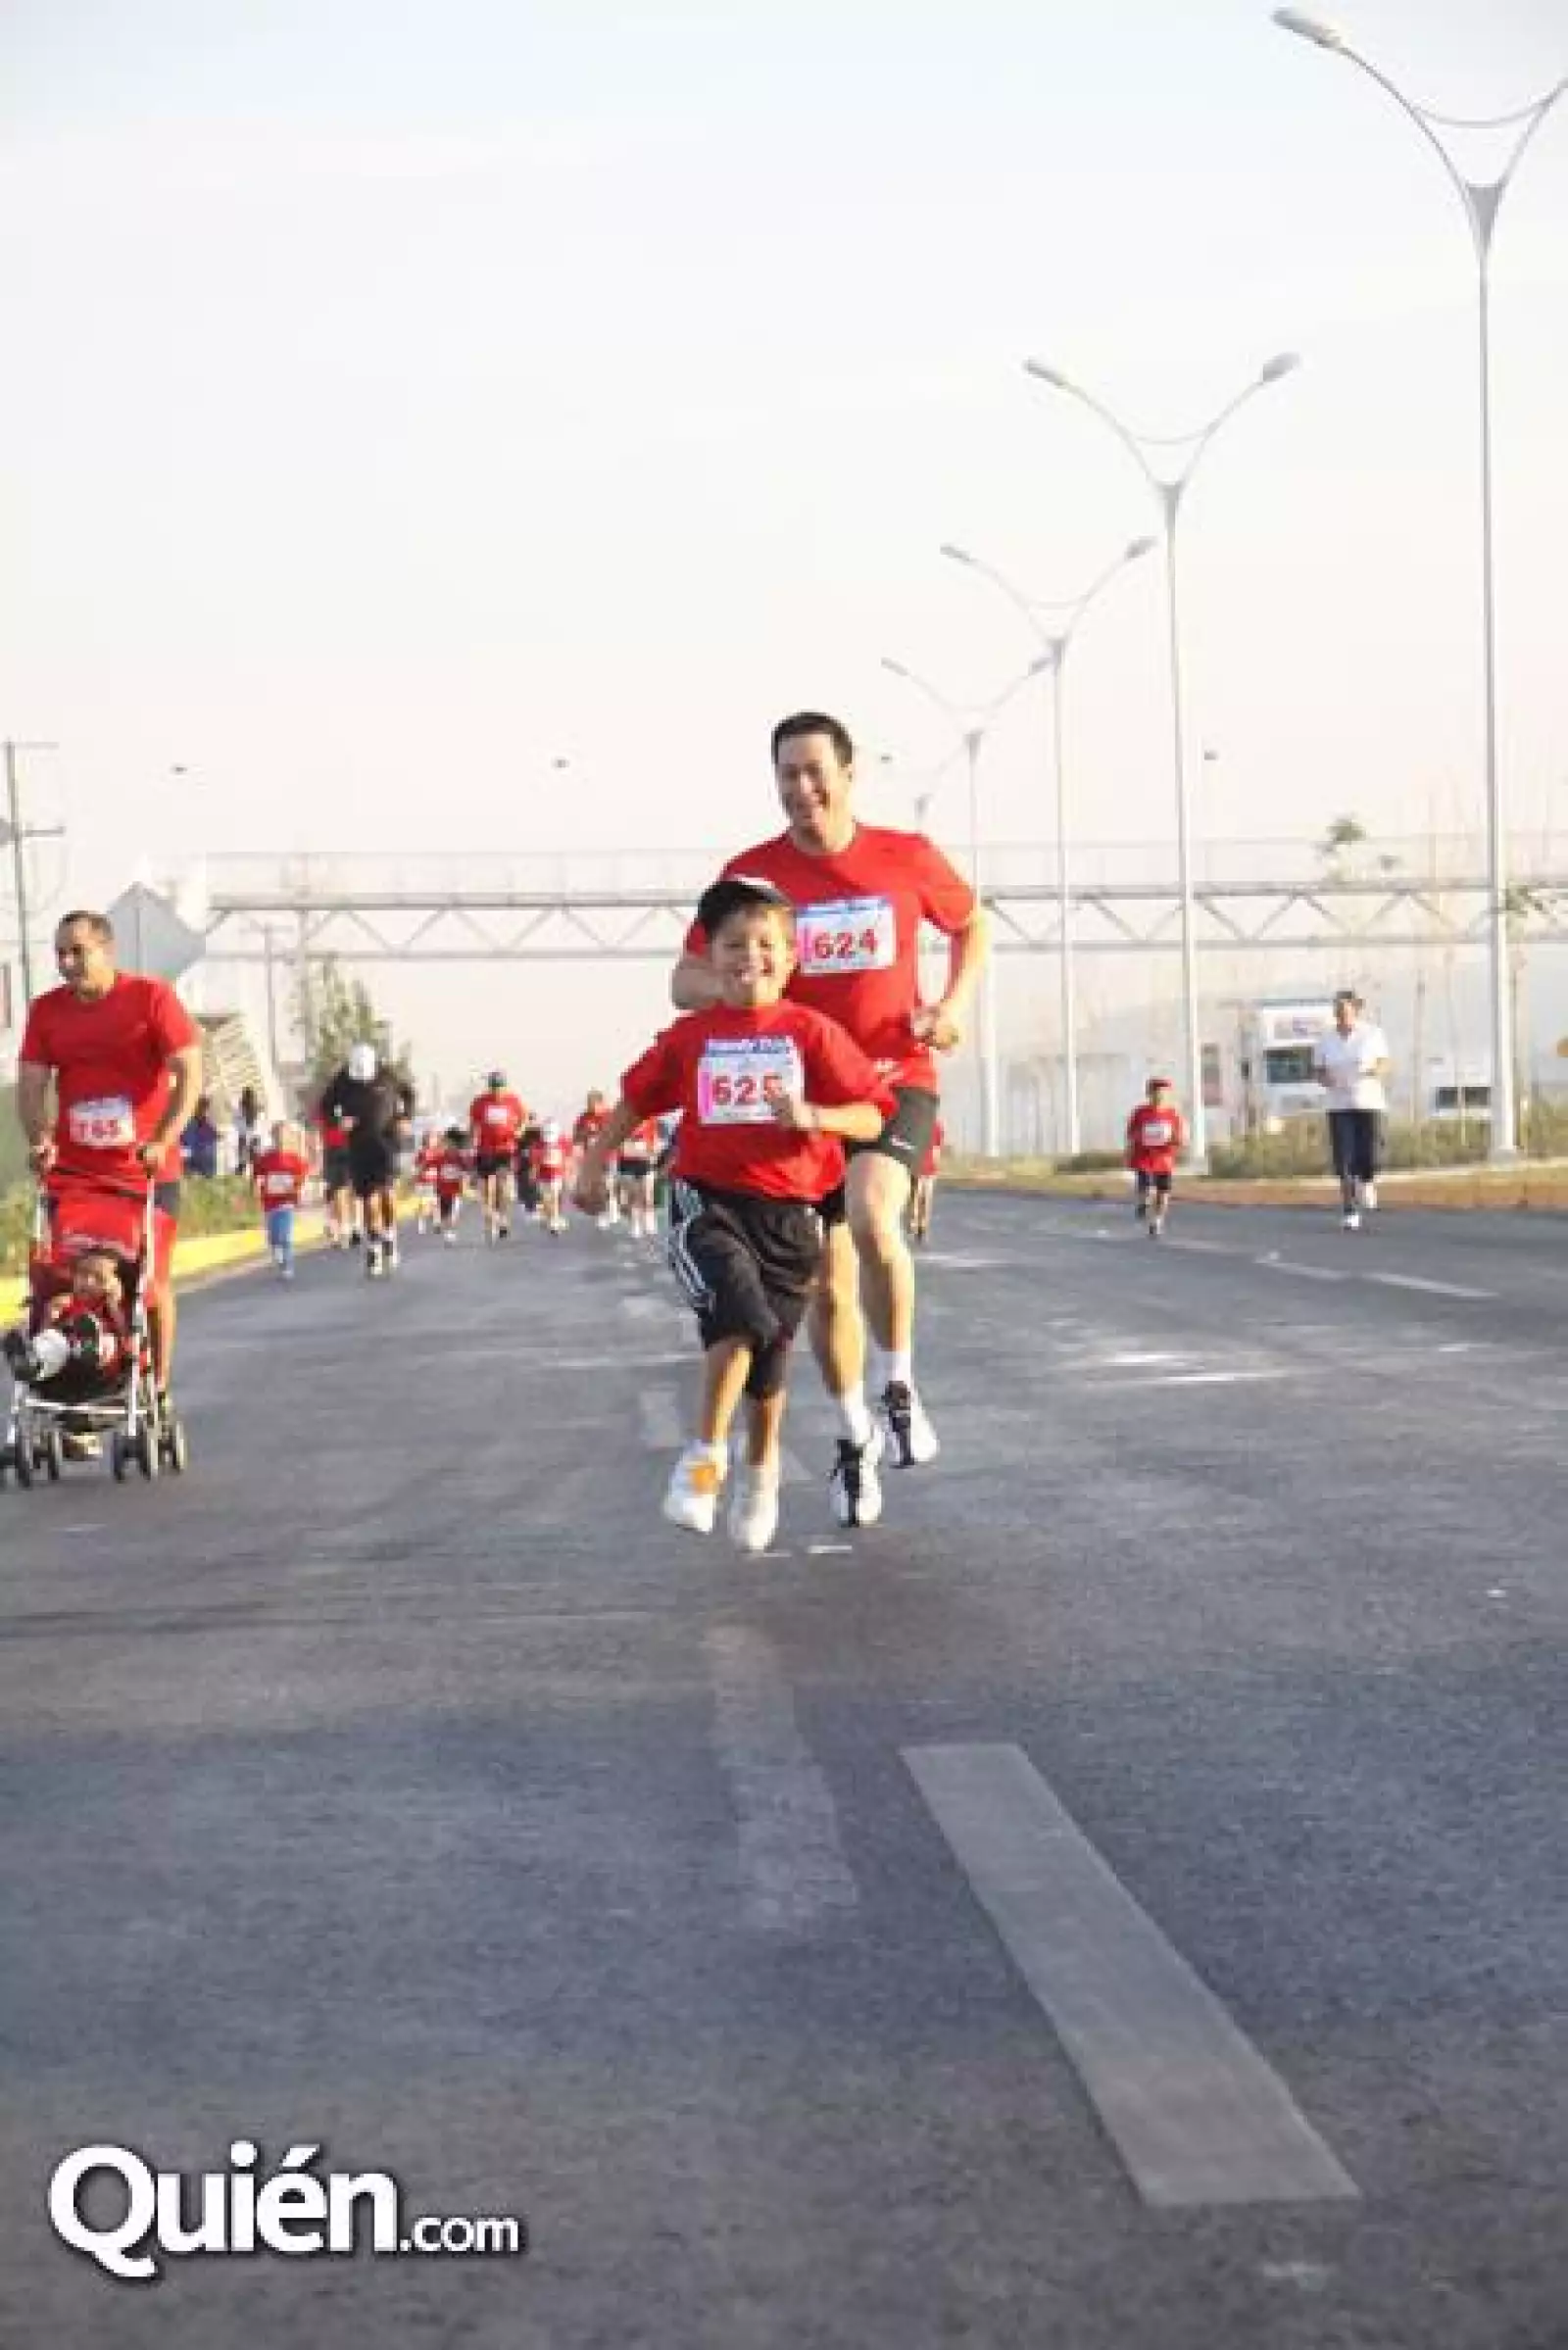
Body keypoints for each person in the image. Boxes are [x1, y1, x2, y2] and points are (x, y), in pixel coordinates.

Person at [670, 710, 986, 1525]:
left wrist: (948, 1008)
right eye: (787, 775)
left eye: (816, 771)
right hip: (795, 1108)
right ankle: (852, 1439)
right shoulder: (753, 877)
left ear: (850, 773)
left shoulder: (904, 859)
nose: (802, 789)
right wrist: (748, 989)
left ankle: (898, 1385)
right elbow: (685, 980)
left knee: (876, 1216)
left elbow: (971, 923)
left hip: (886, 1082)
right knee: (830, 1288)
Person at [576, 876, 894, 1553]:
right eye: (732, 944)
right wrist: (593, 1162)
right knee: (738, 1320)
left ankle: (761, 1470)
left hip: (790, 1216)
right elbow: (635, 1101)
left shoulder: (813, 1032)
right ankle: (705, 1459)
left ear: (792, 955)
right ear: (711, 959)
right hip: (706, 1200)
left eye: (765, 943)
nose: (749, 955)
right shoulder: (692, 1037)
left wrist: (815, 1116)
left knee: (770, 1350)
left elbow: (872, 1111)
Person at [16, 908, 203, 1420]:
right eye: (60, 954)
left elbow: (189, 1072)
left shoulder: (151, 999)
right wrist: (41, 1139)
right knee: (59, 1283)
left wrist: (164, 1137)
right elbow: (32, 1084)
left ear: (107, 950)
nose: (68, 964)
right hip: (75, 1176)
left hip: (144, 1173)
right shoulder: (47, 1012)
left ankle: (157, 1389)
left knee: (151, 1284)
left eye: (78, 952)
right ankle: (67, 1390)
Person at [318, 1043, 415, 1278]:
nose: (361, 1082)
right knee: (370, 1200)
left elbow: (409, 1094)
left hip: (386, 1143)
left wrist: (404, 1117)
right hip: (359, 1146)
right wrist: (338, 1121)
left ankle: (390, 1236)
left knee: (387, 1197)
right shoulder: (343, 1079)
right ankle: (373, 1249)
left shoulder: (387, 1074)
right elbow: (325, 1106)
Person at [1313, 990, 1392, 1232]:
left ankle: (1367, 1180)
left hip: (1368, 1101)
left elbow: (1384, 1062)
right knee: (1344, 1160)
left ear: (1356, 1010)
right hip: (1339, 1105)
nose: (1341, 1015)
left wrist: (1374, 1072)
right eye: (1337, 1011)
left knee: (1370, 1153)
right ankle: (1350, 1210)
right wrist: (1326, 1079)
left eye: (1345, 1010)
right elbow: (1318, 1069)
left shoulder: (1372, 1034)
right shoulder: (1326, 1039)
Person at [4, 1248, 130, 1388]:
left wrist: (113, 1306)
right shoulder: (67, 1301)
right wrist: (51, 1313)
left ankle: (90, 1347)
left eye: (99, 1278)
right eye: (83, 1274)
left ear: (113, 1285)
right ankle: (30, 1362)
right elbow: (45, 1330)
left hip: (100, 1365)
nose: (88, 1282)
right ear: (74, 1277)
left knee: (108, 1341)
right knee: (53, 1339)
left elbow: (124, 1334)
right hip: (65, 1356)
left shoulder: (110, 1307)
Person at [468, 1071, 527, 1244]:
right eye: (494, 1087)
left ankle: (503, 1218)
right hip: (485, 1150)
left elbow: (524, 1118)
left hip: (505, 1148)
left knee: (503, 1185)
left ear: (505, 1087)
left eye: (499, 1087)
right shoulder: (480, 1102)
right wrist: (471, 1144)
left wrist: (519, 1130)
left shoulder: (513, 1101)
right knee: (487, 1190)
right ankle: (490, 1222)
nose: (497, 1091)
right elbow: (473, 1125)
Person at [1125, 1078, 1184, 1240]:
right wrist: (1139, 1141)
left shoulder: (1172, 1114)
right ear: (1149, 1094)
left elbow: (1178, 1137)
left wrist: (1174, 1141)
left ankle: (1157, 1221)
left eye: (1164, 1093)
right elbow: (1131, 1133)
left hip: (1164, 1159)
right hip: (1144, 1157)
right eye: (1156, 1093)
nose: (1160, 1096)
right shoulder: (1140, 1112)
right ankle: (1143, 1203)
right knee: (1146, 1186)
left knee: (1163, 1193)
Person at [251, 1120, 311, 1280]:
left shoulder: (295, 1158)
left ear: (290, 1137)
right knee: (274, 1236)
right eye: (278, 1135)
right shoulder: (266, 1158)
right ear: (273, 1137)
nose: (281, 1138)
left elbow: (304, 1175)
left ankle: (288, 1266)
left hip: (287, 1203)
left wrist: (298, 1189)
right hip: (270, 1203)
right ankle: (277, 1251)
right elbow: (258, 1175)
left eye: (284, 1134)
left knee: (285, 1235)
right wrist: (257, 1187)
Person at [573, 1091, 616, 1226]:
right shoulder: (583, 1118)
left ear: (601, 1103)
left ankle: (612, 1204)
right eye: (588, 1104)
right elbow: (577, 1137)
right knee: (597, 1186)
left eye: (593, 1104)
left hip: (608, 1155)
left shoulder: (610, 1115)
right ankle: (602, 1214)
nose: (590, 1107)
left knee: (608, 1183)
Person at [615, 1114, 663, 1239]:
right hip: (627, 1164)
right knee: (634, 1196)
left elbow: (655, 1139)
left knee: (648, 1193)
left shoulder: (650, 1119)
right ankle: (635, 1224)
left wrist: (655, 1152)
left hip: (645, 1162)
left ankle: (649, 1218)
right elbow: (621, 1145)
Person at [907, 1116, 945, 1245]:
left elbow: (937, 1148)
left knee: (926, 1199)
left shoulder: (937, 1127)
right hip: (918, 1167)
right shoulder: (916, 1125)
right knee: (915, 1197)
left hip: (930, 1170)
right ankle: (912, 1225)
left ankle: (922, 1227)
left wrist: (936, 1168)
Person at [434, 1125, 470, 1244]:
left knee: (453, 1213)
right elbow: (427, 1164)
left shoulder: (461, 1158)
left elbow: (467, 1171)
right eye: (448, 1144)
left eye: (453, 1144)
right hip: (442, 1190)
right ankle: (447, 1230)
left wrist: (466, 1180)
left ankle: (450, 1231)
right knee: (444, 1213)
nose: (450, 1147)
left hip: (455, 1191)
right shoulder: (439, 1156)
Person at [535, 1120, 569, 1235]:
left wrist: (568, 1171)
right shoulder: (539, 1143)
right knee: (546, 1198)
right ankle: (550, 1216)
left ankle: (554, 1220)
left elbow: (568, 1156)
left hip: (557, 1174)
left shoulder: (563, 1141)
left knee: (554, 1196)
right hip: (543, 1175)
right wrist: (534, 1170)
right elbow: (534, 1159)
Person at [181, 1096, 221, 1180]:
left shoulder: (207, 1124)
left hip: (205, 1166)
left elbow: (216, 1137)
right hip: (194, 1164)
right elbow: (185, 1145)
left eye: (206, 1109)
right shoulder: (190, 1124)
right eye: (203, 1108)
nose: (205, 1111)